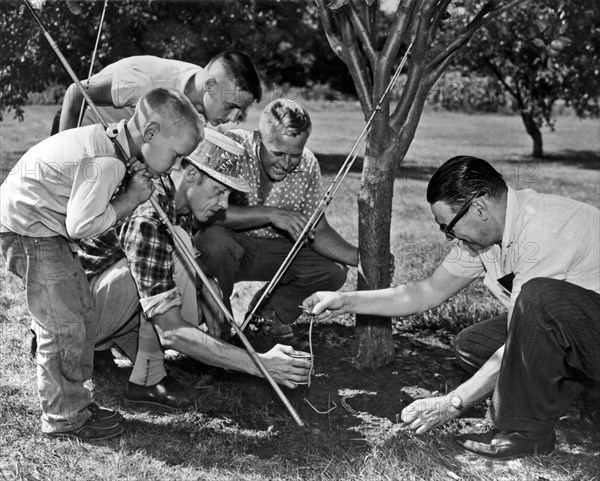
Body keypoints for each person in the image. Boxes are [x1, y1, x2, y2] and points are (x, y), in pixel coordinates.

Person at [302, 156, 600, 460]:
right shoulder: (486, 237)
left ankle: (527, 433)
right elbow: (426, 292)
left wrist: (452, 403)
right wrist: (345, 301)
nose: (449, 238)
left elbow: (517, 342)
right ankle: (578, 389)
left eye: (449, 228)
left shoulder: (543, 230)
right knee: (471, 346)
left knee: (537, 298)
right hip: (581, 330)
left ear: (480, 208)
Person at [0, 88, 204, 441]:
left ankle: (76, 401)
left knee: (81, 312)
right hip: (30, 230)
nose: (174, 167)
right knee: (63, 324)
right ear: (151, 134)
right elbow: (80, 226)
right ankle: (64, 418)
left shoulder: (113, 143)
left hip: (42, 227)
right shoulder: (107, 161)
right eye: (175, 156)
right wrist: (130, 199)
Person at [78, 131, 311, 411]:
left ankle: (109, 351)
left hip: (105, 307)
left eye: (229, 195)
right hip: (77, 322)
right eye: (219, 191)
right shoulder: (150, 217)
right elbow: (171, 331)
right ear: (190, 176)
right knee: (172, 256)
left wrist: (206, 284)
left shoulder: (173, 198)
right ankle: (146, 382)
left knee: (194, 274)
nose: (224, 205)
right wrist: (262, 365)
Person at [194, 99, 359, 340]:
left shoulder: (308, 164)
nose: (286, 163)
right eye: (278, 153)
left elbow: (318, 230)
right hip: (228, 248)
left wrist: (360, 257)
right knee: (212, 240)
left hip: (276, 252)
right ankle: (221, 322)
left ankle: (267, 315)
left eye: (295, 154)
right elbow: (207, 212)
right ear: (259, 139)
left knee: (333, 271)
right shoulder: (233, 148)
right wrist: (271, 214)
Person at [57, 50, 262, 132]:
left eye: (240, 111)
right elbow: (76, 93)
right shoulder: (149, 83)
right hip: (80, 133)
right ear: (209, 86)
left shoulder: (203, 94)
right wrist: (64, 157)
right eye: (231, 106)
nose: (234, 118)